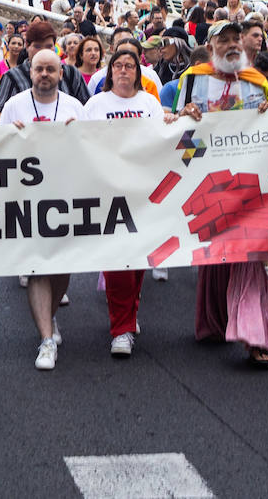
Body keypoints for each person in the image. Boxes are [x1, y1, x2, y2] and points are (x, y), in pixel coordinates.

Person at [175, 20, 268, 369]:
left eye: (235, 39)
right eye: (223, 39)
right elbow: (181, 139)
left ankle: (256, 336)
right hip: (208, 181)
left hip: (251, 180)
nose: (230, 45)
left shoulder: (258, 82)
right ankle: (213, 322)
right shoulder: (193, 79)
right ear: (211, 45)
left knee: (250, 258)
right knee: (217, 255)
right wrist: (185, 117)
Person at [0, 49, 85, 370]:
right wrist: (10, 136)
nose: (44, 74)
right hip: (27, 200)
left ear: (61, 74)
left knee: (61, 268)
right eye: (39, 69)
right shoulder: (13, 105)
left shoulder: (75, 107)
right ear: (30, 72)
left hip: (66, 198)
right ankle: (46, 340)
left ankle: (50, 316)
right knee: (36, 266)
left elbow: (92, 151)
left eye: (51, 69)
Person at [83, 49, 168, 357]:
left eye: (129, 66)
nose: (123, 71)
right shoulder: (96, 104)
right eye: (117, 65)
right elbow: (81, 142)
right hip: (108, 191)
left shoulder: (149, 103)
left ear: (137, 72)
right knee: (118, 258)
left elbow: (163, 139)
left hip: (143, 191)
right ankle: (121, 330)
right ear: (110, 71)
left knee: (140, 258)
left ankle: (129, 314)